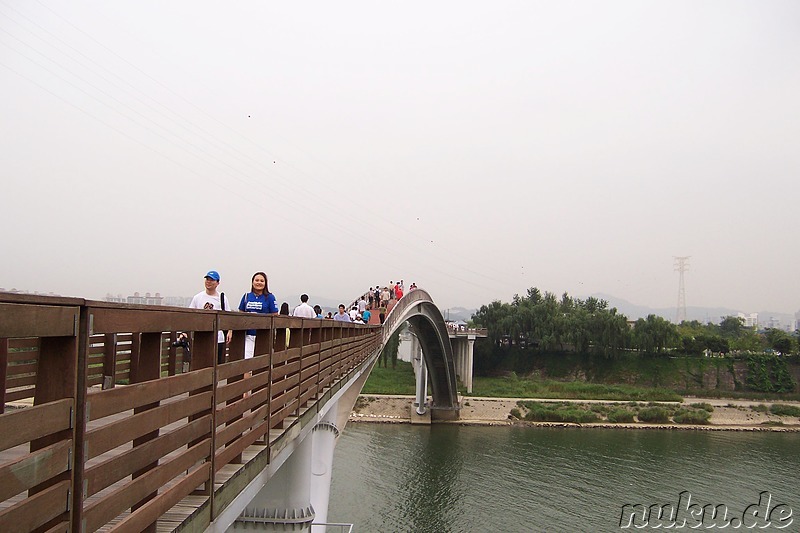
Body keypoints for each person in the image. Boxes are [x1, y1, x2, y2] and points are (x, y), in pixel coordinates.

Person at [188, 270, 234, 364]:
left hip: (218, 338)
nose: (208, 282)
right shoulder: (198, 297)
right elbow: (190, 315)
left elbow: (228, 316)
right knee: (200, 364)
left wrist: (230, 331)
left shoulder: (222, 298)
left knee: (215, 364)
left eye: (212, 280)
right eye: (207, 279)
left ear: (217, 283)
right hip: (201, 337)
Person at [238, 271, 278, 359]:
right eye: (256, 280)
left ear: (265, 283)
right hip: (248, 335)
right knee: (247, 362)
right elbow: (240, 314)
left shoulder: (270, 297)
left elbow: (275, 315)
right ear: (252, 282)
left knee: (262, 362)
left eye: (262, 281)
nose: (259, 282)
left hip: (263, 335)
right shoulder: (246, 296)